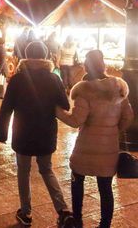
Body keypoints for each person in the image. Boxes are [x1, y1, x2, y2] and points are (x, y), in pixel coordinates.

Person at [0, 41, 74, 227]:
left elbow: (6, 108)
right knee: (46, 170)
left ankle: (26, 212)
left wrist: (2, 133)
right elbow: (65, 104)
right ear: (46, 56)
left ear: (26, 56)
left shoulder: (17, 79)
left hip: (22, 133)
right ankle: (63, 210)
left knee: (23, 172)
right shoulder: (54, 78)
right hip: (46, 133)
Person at [56, 50, 133, 228]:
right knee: (105, 188)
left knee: (77, 182)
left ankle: (78, 220)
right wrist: (112, 130)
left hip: (85, 147)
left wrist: (57, 111)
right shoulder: (119, 89)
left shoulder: (85, 91)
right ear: (103, 64)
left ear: (85, 65)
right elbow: (128, 117)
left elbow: (76, 121)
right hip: (108, 149)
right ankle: (105, 224)